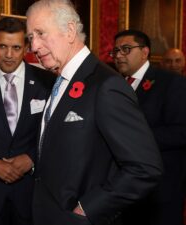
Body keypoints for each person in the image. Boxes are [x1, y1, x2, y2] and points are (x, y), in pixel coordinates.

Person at [26, 1, 163, 225]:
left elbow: (145, 168)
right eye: (30, 37)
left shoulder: (107, 85)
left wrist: (88, 209)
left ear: (70, 31)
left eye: (40, 33)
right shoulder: (59, 81)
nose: (34, 46)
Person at [0, 17, 54, 225]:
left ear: (26, 48)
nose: (9, 55)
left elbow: (53, 131)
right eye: (3, 46)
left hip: (31, 192)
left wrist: (32, 158)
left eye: (16, 47)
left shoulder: (46, 81)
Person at [112, 29, 186, 225]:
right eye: (116, 50)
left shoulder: (171, 83)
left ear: (144, 52)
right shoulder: (114, 84)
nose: (119, 55)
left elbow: (181, 132)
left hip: (159, 189)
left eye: (126, 49)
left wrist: (132, 138)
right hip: (123, 186)